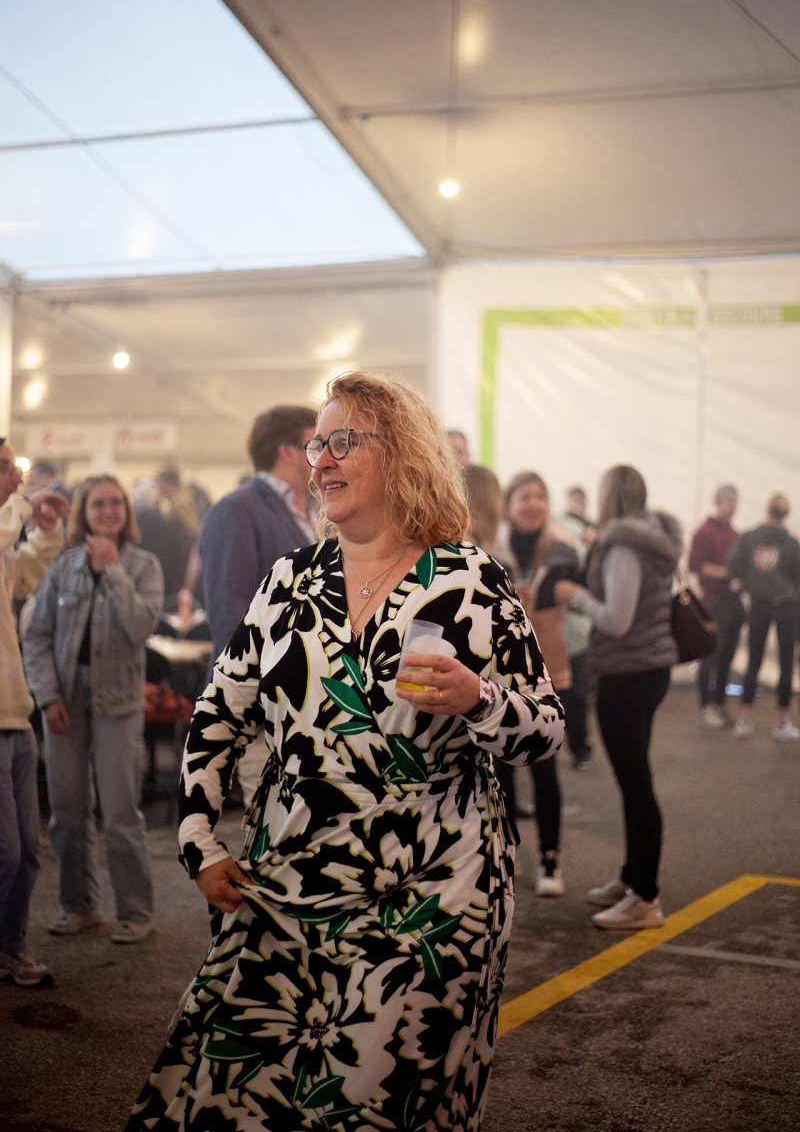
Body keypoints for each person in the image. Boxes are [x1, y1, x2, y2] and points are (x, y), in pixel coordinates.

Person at [128, 372, 564, 1132]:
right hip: (285, 889)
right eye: (315, 446)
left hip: (431, 902)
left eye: (341, 442)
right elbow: (219, 710)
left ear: (400, 454)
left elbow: (545, 728)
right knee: (228, 1092)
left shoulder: (470, 582)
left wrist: (478, 698)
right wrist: (197, 835)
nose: (320, 461)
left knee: (376, 1106)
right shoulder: (289, 581)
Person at [23, 475, 164, 945]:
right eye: (98, 504)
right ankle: (78, 906)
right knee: (66, 811)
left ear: (127, 509)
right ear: (83, 511)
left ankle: (135, 911)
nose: (109, 511)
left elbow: (141, 627)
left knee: (120, 813)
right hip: (64, 700)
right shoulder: (63, 566)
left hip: (118, 702)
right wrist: (47, 697)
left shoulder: (143, 565)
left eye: (116, 503)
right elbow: (36, 636)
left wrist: (114, 571)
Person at [555, 464, 681, 931]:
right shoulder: (654, 537)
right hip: (650, 668)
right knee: (635, 781)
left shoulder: (624, 545)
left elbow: (616, 620)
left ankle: (644, 897)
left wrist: (576, 596)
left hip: (627, 673)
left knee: (636, 784)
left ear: (610, 496)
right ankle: (633, 876)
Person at [199, 405, 317, 809]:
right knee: (273, 825)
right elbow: (229, 611)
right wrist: (270, 687)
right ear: (287, 451)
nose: (325, 454)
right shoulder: (238, 508)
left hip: (310, 705)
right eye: (315, 444)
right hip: (266, 704)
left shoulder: (312, 510)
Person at [492, 471, 586, 896]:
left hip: (549, 668)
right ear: (509, 504)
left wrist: (571, 594)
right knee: (502, 769)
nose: (534, 504)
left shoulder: (562, 550)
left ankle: (550, 860)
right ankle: (505, 855)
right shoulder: (492, 551)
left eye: (540, 496)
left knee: (545, 766)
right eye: (525, 496)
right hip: (501, 671)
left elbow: (580, 592)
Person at [0, 439, 67, 987]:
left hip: (13, 714)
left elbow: (29, 572)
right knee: (4, 852)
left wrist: (45, 530)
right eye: (6, 468)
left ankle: (10, 945)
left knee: (26, 853)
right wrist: (24, 507)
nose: (16, 477)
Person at [727, 493, 800, 741]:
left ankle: (745, 719)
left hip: (760, 604)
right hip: (787, 606)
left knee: (753, 662)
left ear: (767, 510)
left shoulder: (749, 538)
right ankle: (781, 722)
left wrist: (746, 584)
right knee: (786, 665)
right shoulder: (792, 544)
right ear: (786, 513)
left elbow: (733, 566)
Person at [688, 484, 744, 727]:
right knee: (710, 655)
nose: (733, 505)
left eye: (735, 500)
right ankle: (706, 706)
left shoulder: (735, 535)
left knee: (727, 656)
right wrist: (725, 573)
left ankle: (720, 703)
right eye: (729, 500)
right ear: (718, 502)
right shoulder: (704, 532)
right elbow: (695, 565)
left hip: (733, 602)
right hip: (713, 602)